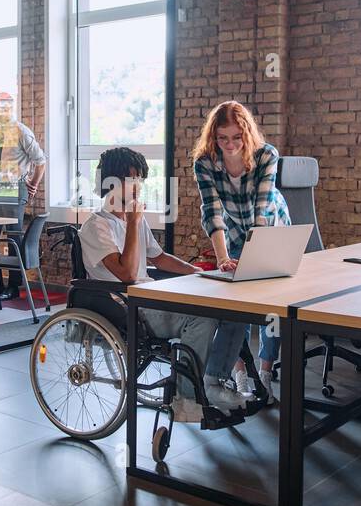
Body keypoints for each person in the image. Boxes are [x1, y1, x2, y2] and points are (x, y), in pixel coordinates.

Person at [79, 148, 245, 423]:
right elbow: (128, 274)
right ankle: (185, 400)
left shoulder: (134, 221)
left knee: (230, 308)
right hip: (125, 306)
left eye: (139, 180)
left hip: (148, 297)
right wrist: (133, 222)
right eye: (130, 179)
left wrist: (201, 273)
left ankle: (214, 381)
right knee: (201, 318)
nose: (137, 187)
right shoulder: (96, 227)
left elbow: (159, 257)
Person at [193, 100, 292, 398]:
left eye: (236, 137)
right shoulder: (205, 163)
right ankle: (238, 373)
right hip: (234, 229)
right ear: (214, 137)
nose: (230, 144)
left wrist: (258, 257)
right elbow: (211, 211)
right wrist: (223, 258)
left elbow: (261, 210)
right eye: (223, 138)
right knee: (234, 303)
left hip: (271, 227)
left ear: (246, 134)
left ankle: (265, 370)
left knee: (272, 305)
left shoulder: (266, 156)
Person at [0, 91, 46, 299]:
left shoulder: (21, 131)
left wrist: (34, 185)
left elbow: (40, 160)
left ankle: (13, 285)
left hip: (15, 187)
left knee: (13, 236)